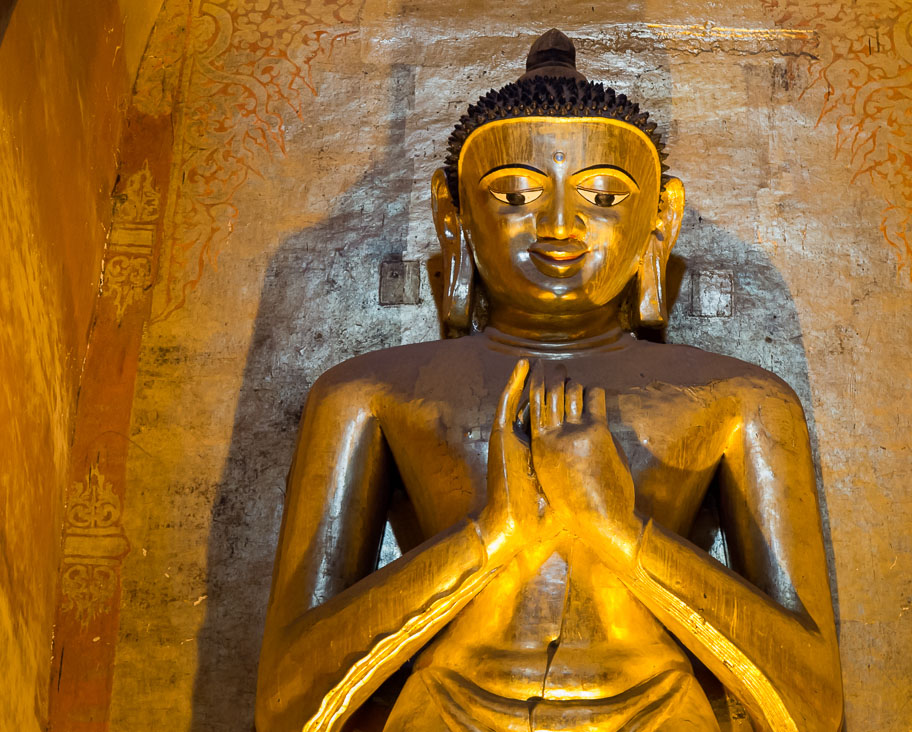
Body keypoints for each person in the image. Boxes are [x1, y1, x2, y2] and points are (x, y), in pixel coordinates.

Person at [256, 29, 843, 732]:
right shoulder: (372, 394)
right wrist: (490, 535)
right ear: (454, 214)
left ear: (662, 219)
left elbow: (811, 705)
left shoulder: (738, 402)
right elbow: (288, 704)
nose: (560, 227)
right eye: (514, 194)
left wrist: (620, 531)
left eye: (602, 196)